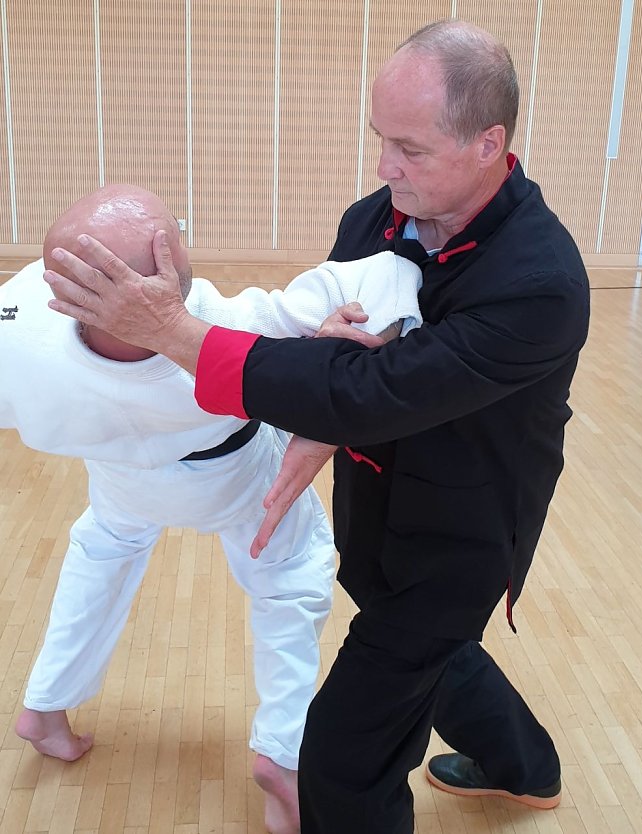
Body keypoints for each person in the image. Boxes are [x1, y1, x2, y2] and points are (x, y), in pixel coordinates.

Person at [45, 19, 591, 834]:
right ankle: (525, 767)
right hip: (376, 496)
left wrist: (176, 332)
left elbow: (373, 387)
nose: (384, 167)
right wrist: (318, 432)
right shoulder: (378, 216)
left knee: (337, 756)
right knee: (414, 642)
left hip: (464, 530)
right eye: (380, 140)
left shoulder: (538, 283)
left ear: (489, 143)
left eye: (410, 148)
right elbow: (343, 349)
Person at [2, 184, 422, 834]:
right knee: (289, 578)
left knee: (102, 549)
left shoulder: (16, 325)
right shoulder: (239, 325)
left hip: (121, 475)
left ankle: (46, 706)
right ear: (168, 270)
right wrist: (329, 347)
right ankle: (282, 754)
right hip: (233, 476)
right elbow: (393, 274)